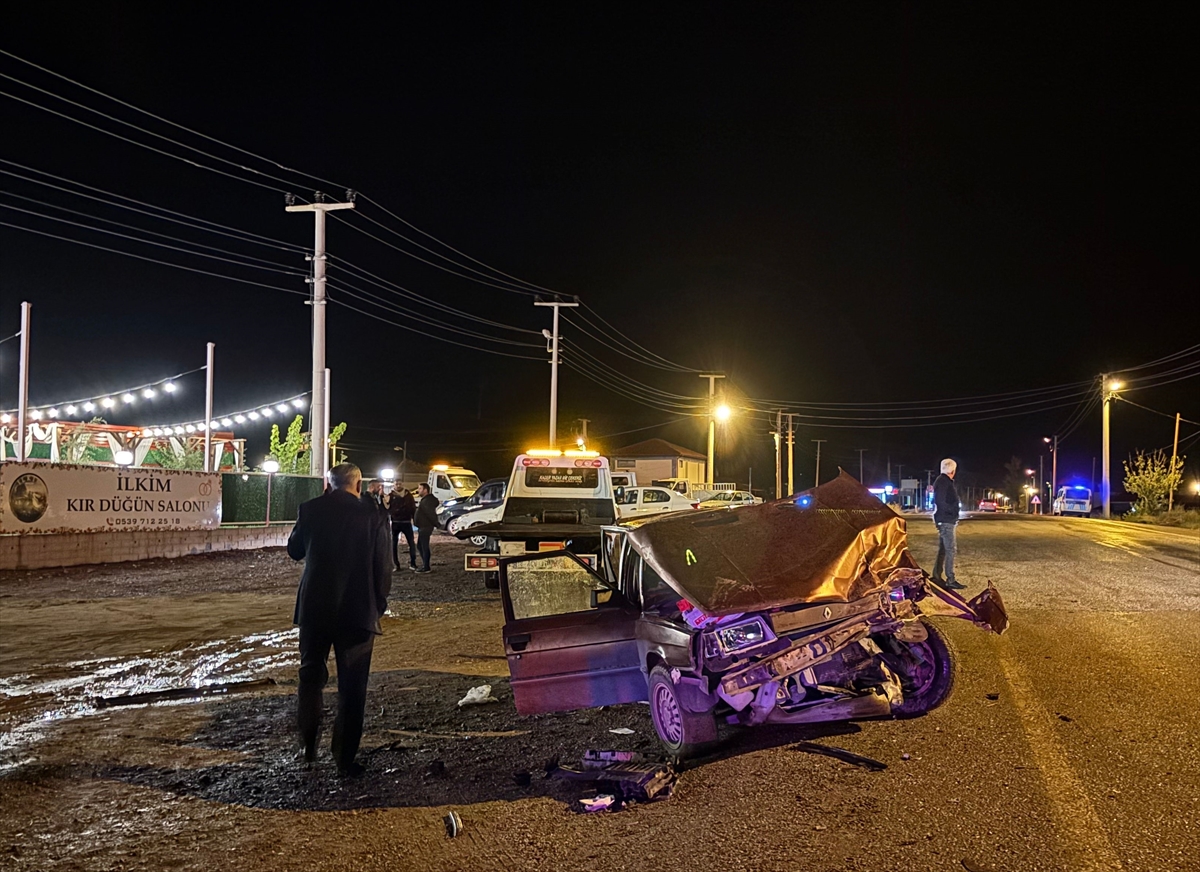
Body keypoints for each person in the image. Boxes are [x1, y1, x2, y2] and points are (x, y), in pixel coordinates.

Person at [287, 462, 392, 777]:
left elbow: (294, 550)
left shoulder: (310, 509)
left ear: (327, 484)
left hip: (315, 610)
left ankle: (308, 746)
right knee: (352, 687)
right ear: (359, 485)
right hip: (358, 613)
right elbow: (383, 568)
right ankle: (344, 759)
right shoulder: (374, 515)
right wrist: (378, 605)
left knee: (310, 678)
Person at [931, 458, 966, 590]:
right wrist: (952, 512)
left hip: (945, 518)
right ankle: (950, 579)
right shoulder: (944, 482)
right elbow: (941, 501)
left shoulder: (942, 481)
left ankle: (936, 575)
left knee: (944, 549)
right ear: (952, 470)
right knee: (951, 549)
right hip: (946, 520)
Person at [387, 484, 417, 571]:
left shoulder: (408, 495)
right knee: (394, 544)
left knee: (411, 543)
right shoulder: (391, 496)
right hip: (396, 522)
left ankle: (413, 563)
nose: (398, 485)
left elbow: (413, 508)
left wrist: (413, 518)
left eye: (400, 483)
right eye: (397, 483)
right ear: (394, 484)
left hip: (406, 522)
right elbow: (388, 507)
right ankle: (396, 564)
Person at [413, 482, 440, 573]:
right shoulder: (426, 500)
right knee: (421, 546)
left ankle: (426, 566)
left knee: (423, 546)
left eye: (420, 488)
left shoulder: (427, 501)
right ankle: (425, 564)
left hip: (425, 526)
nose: (418, 490)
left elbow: (430, 514)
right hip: (423, 526)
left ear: (425, 490)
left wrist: (436, 524)